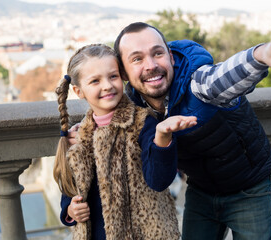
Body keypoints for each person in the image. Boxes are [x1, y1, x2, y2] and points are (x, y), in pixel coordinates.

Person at [106, 22, 271, 240]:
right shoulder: (135, 110)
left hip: (250, 189)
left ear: (171, 57)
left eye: (158, 53)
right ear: (124, 73)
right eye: (137, 59)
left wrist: (261, 54)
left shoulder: (197, 83)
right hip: (201, 189)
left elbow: (222, 77)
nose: (151, 65)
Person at [53, 43, 198, 239]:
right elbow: (71, 189)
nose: (107, 85)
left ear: (122, 77)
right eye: (95, 81)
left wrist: (162, 137)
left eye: (113, 76)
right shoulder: (80, 136)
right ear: (79, 91)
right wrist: (70, 211)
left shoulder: (142, 123)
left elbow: (159, 180)